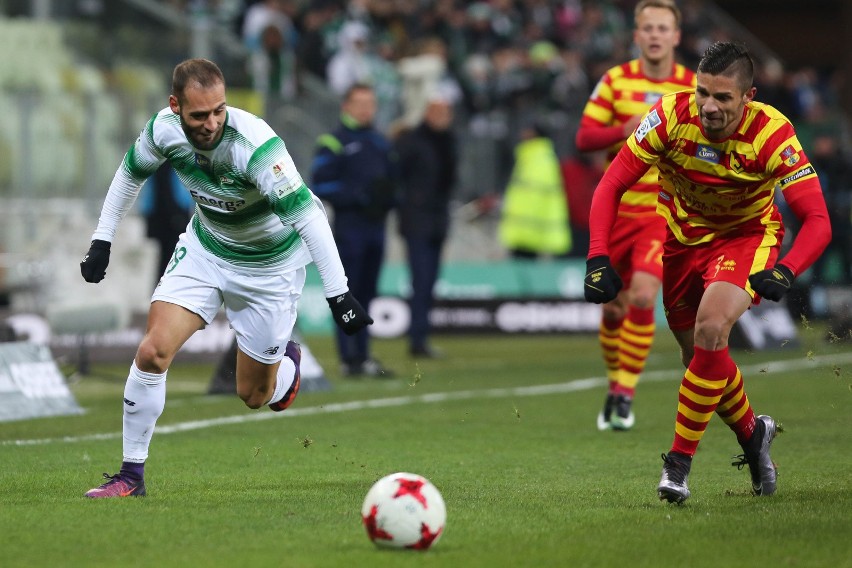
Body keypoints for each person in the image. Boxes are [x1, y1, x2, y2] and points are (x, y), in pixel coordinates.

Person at [79, 58, 373, 498]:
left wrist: (339, 295)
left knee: (255, 396)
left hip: (269, 267)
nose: (211, 122)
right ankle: (130, 475)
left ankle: (284, 366)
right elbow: (128, 175)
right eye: (199, 114)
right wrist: (102, 240)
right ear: (175, 106)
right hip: (206, 249)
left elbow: (310, 216)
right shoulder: (163, 130)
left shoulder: (254, 146)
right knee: (153, 351)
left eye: (219, 110)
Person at [583, 41, 831, 503]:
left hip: (746, 238)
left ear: (748, 97)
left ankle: (677, 467)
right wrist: (597, 256)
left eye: (723, 98)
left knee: (712, 327)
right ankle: (754, 435)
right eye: (702, 93)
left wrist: (787, 269)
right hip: (680, 242)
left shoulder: (773, 134)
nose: (709, 106)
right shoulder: (670, 116)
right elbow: (612, 182)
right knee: (698, 357)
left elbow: (817, 219)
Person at [575, 0, 696, 431]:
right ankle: (616, 384)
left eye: (663, 28)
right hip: (617, 212)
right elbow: (584, 137)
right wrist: (619, 130)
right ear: (637, 35)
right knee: (612, 310)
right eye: (648, 28)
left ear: (676, 36)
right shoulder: (614, 80)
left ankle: (624, 395)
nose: (656, 35)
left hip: (659, 212)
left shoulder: (692, 86)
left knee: (644, 297)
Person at [310, 83, 397, 377]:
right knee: (348, 294)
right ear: (346, 106)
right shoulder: (333, 141)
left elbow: (392, 182)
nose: (365, 109)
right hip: (350, 229)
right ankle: (348, 359)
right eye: (359, 103)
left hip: (376, 228)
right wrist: (357, 195)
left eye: (370, 103)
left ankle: (363, 356)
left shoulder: (380, 142)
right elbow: (320, 185)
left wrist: (389, 197)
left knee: (369, 293)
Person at [395, 90, 458, 358]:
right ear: (427, 112)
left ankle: (421, 336)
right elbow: (399, 178)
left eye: (445, 112)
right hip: (417, 220)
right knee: (421, 279)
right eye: (437, 111)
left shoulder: (450, 141)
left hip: (438, 219)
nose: (441, 117)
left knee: (429, 281)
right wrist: (407, 207)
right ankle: (417, 339)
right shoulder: (412, 140)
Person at [498, 122, 571, 259]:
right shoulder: (530, 156)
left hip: (529, 231)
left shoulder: (540, 159)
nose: (522, 135)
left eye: (527, 131)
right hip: (524, 229)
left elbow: (537, 197)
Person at [139, 162, 195, 284]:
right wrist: (176, 215)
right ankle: (165, 293)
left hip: (166, 214)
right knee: (171, 257)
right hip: (170, 216)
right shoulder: (166, 159)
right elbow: (165, 189)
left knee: (170, 256)